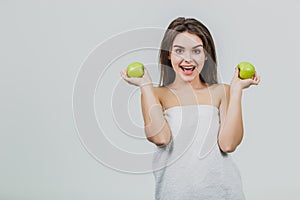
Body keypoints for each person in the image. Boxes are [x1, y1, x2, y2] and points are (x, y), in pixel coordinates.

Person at [121, 17, 260, 200]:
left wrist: (236, 90)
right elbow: (160, 138)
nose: (188, 59)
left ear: (205, 55)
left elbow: (228, 144)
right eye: (179, 50)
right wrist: (145, 86)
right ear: (169, 54)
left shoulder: (222, 92)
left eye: (196, 51)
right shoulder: (156, 94)